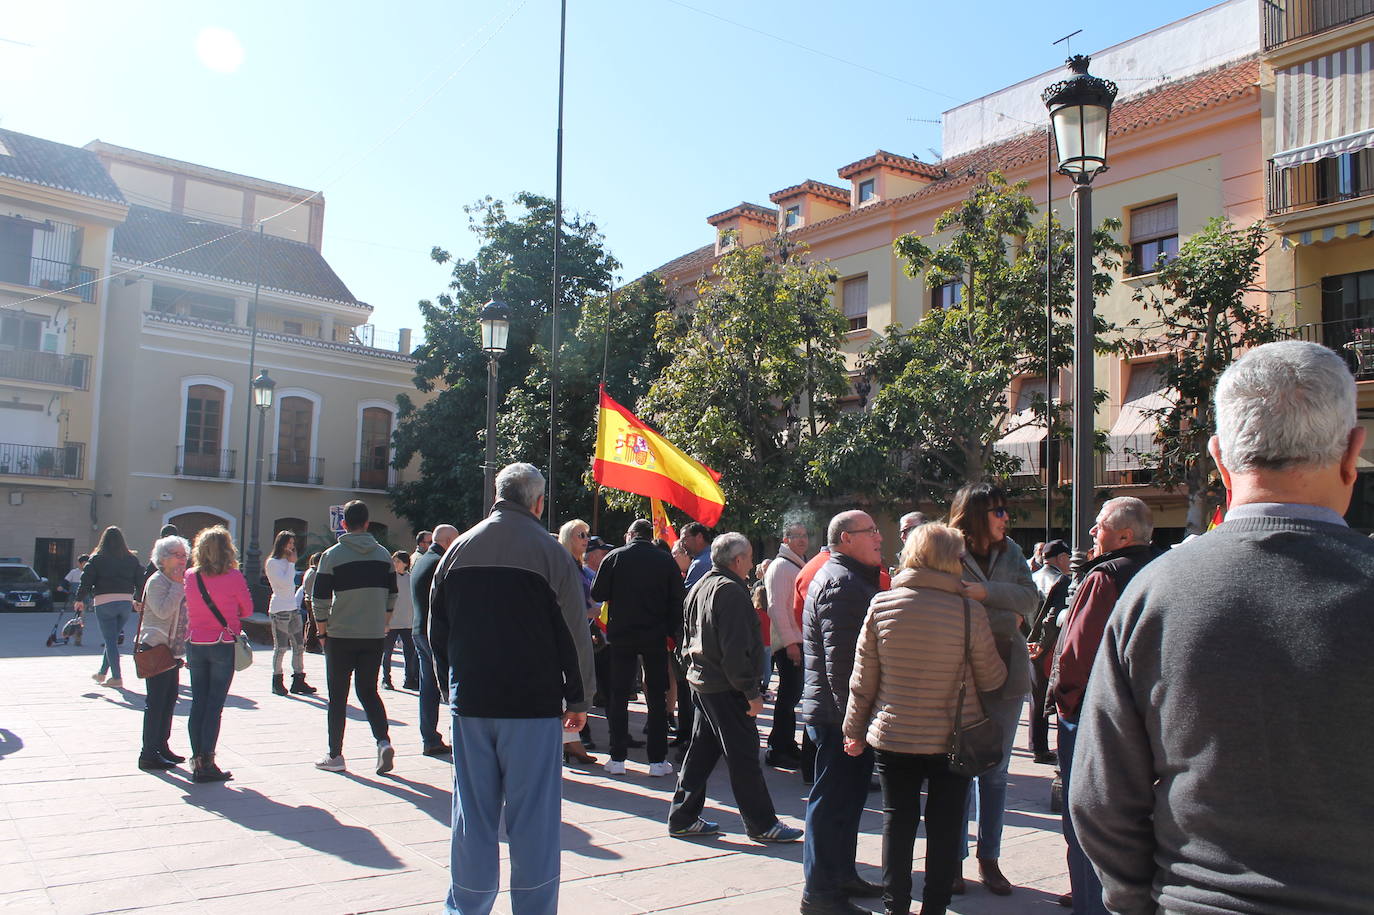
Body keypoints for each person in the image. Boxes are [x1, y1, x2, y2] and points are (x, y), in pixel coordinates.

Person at [1072, 341, 1374, 914]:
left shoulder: (1154, 592)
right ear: (1351, 452)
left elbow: (1099, 796)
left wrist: (1140, 901)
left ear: (1218, 458)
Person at [429, 463, 594, 915]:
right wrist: (579, 700)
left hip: (473, 706)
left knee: (473, 819)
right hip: (532, 707)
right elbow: (574, 635)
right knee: (534, 822)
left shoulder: (456, 549)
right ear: (538, 502)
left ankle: (466, 908)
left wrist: (452, 690)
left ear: (497, 494)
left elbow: (436, 633)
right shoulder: (550, 552)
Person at [844, 523, 1008, 915]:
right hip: (953, 739)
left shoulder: (882, 605)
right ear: (952, 560)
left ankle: (895, 906)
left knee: (897, 823)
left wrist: (853, 730)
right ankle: (934, 907)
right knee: (945, 826)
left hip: (893, 733)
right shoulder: (970, 611)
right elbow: (991, 678)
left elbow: (863, 679)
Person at [1049, 498, 1158, 915]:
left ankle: (1090, 901)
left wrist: (1066, 707)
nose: (1092, 533)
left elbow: (1076, 653)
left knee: (1087, 820)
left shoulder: (1105, 577)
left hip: (1095, 717)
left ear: (1124, 536)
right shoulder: (1159, 569)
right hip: (1143, 714)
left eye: (1099, 526)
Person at [667, 532, 803, 844]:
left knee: (701, 752)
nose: (752, 562)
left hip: (704, 681)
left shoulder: (701, 585)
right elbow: (735, 649)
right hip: (724, 685)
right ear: (737, 560)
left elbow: (687, 637)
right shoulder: (730, 590)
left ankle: (683, 816)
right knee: (742, 755)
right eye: (750, 556)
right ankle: (762, 823)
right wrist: (750, 693)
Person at [949, 482, 1036, 896]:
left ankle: (990, 857)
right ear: (976, 514)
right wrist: (1005, 613)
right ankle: (953, 860)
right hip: (958, 672)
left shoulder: (1013, 552)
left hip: (1008, 669)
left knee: (996, 772)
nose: (1006, 518)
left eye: (1006, 510)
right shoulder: (948, 549)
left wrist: (984, 594)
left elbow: (1029, 599)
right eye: (998, 511)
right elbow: (944, 602)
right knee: (959, 768)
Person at [801, 510, 888, 915]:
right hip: (839, 718)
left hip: (844, 716)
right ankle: (820, 895)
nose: (879, 537)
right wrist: (853, 726)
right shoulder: (842, 583)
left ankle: (841, 875)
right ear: (845, 539)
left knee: (847, 801)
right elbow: (841, 667)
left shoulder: (851, 578)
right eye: (870, 531)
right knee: (831, 803)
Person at [591, 518, 686, 776]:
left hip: (621, 636)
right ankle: (657, 760)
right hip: (655, 636)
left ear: (630, 534)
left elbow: (597, 592)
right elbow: (678, 600)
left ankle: (617, 757)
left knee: (619, 695)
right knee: (656, 697)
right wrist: (670, 631)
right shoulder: (665, 560)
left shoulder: (615, 557)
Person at [312, 500, 399, 775]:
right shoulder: (384, 555)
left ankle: (335, 755)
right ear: (367, 522)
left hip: (341, 634)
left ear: (344, 524)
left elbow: (320, 598)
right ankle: (383, 741)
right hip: (373, 634)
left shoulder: (332, 555)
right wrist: (382, 624)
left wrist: (322, 632)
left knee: (338, 696)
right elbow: (392, 595)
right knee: (369, 691)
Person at [183, 525, 252, 783]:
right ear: (227, 549)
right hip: (222, 643)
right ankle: (208, 762)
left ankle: (197, 760)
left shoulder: (190, 576)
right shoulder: (234, 576)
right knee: (214, 706)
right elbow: (246, 609)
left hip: (195, 643)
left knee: (198, 703)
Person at [137, 534, 192, 771]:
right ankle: (148, 754)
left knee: (169, 701)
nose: (182, 560)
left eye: (184, 555)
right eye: (177, 556)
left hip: (172, 652)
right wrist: (179, 586)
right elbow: (161, 611)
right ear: (163, 558)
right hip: (155, 648)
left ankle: (162, 746)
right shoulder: (157, 581)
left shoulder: (178, 581)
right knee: (156, 702)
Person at [764, 520, 809, 770]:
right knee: (788, 697)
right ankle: (778, 747)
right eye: (795, 535)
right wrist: (791, 644)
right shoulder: (782, 567)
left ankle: (784, 743)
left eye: (804, 535)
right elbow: (777, 608)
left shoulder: (793, 563)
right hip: (789, 643)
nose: (801, 539)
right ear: (785, 540)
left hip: (795, 640)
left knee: (790, 697)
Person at [75, 526, 143, 688]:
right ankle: (102, 673)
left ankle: (117, 677)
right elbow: (140, 580)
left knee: (110, 640)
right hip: (126, 603)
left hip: (104, 602)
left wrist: (79, 599)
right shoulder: (131, 559)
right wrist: (138, 599)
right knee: (111, 638)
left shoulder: (96, 558)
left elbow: (86, 580)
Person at [412, 523, 457, 756]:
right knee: (447, 684)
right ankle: (443, 736)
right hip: (434, 633)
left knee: (428, 686)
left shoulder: (421, 560)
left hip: (419, 629)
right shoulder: (440, 563)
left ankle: (430, 737)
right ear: (448, 541)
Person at [557, 518, 598, 766]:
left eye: (587, 535)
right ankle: (571, 741)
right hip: (569, 632)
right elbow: (564, 603)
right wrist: (587, 613)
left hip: (580, 630)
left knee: (577, 684)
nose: (586, 540)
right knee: (571, 685)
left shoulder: (578, 566)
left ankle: (572, 740)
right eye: (580, 535)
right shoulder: (565, 564)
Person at [1026, 538, 1071, 765]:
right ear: (1062, 558)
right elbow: (1052, 617)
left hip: (1028, 643)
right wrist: (1042, 644)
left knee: (1036, 696)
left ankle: (1037, 745)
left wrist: (1027, 640)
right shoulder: (1062, 580)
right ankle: (1042, 749)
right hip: (1047, 646)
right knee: (1048, 697)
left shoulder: (1032, 577)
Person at [266, 531, 313, 696]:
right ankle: (277, 681)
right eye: (289, 543)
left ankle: (298, 680)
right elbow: (285, 584)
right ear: (281, 544)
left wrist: (291, 563)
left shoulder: (288, 562)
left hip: (293, 608)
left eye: (293, 544)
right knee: (281, 648)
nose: (292, 547)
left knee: (299, 646)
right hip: (280, 610)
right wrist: (292, 564)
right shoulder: (273, 563)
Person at [382, 551, 418, 690]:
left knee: (410, 653)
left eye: (398, 561)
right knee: (387, 653)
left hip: (408, 622)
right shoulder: (389, 578)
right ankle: (386, 679)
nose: (395, 564)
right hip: (391, 622)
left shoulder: (411, 578)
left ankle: (409, 679)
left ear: (405, 563)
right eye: (394, 561)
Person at [679, 521, 712, 588]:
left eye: (684, 540)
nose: (682, 545)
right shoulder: (716, 556)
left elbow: (686, 595)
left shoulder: (700, 564)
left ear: (699, 537)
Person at [64, 555, 88, 644]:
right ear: (79, 564)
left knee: (80, 617)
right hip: (75, 598)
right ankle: (76, 636)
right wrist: (61, 586)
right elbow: (65, 581)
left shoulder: (89, 573)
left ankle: (75, 634)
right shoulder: (74, 572)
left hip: (86, 599)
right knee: (80, 616)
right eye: (83, 563)